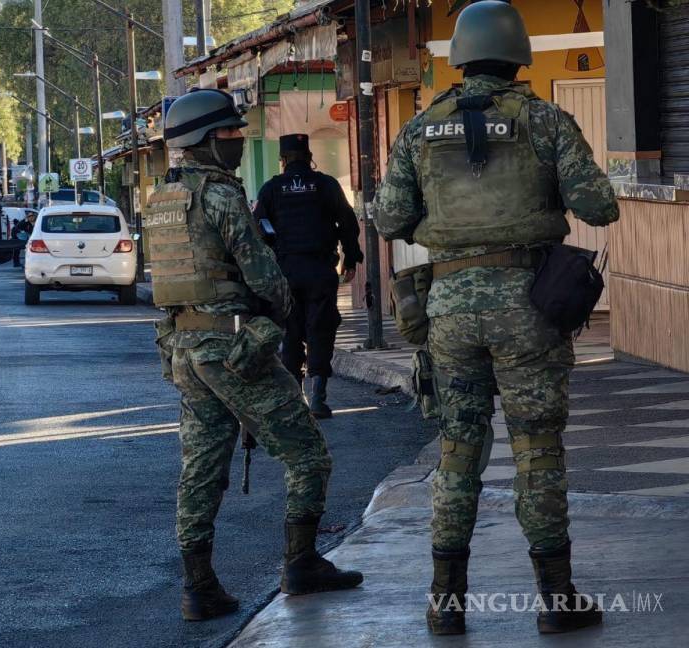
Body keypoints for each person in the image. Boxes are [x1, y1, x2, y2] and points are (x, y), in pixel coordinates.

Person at [373, 1, 618, 636]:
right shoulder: (545, 121)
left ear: (459, 55)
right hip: (527, 308)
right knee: (537, 450)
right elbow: (599, 207)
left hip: (448, 310)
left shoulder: (420, 128)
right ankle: (557, 602)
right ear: (518, 56)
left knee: (458, 451)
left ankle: (446, 604)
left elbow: (390, 220)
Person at [146, 88, 362, 622]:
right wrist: (280, 313)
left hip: (183, 350)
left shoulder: (162, 199)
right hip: (233, 347)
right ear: (204, 140)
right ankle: (302, 562)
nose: (239, 142)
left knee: (200, 469)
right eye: (230, 133)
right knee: (307, 455)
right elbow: (266, 277)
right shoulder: (220, 196)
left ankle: (199, 589)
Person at [254, 134, 363, 418]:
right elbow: (348, 223)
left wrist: (270, 260)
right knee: (321, 329)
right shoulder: (326, 184)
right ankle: (319, 397)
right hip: (320, 270)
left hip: (287, 271)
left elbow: (259, 228)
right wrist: (351, 258)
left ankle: (296, 399)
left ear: (283, 160)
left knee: (291, 332)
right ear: (309, 156)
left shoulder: (272, 189)